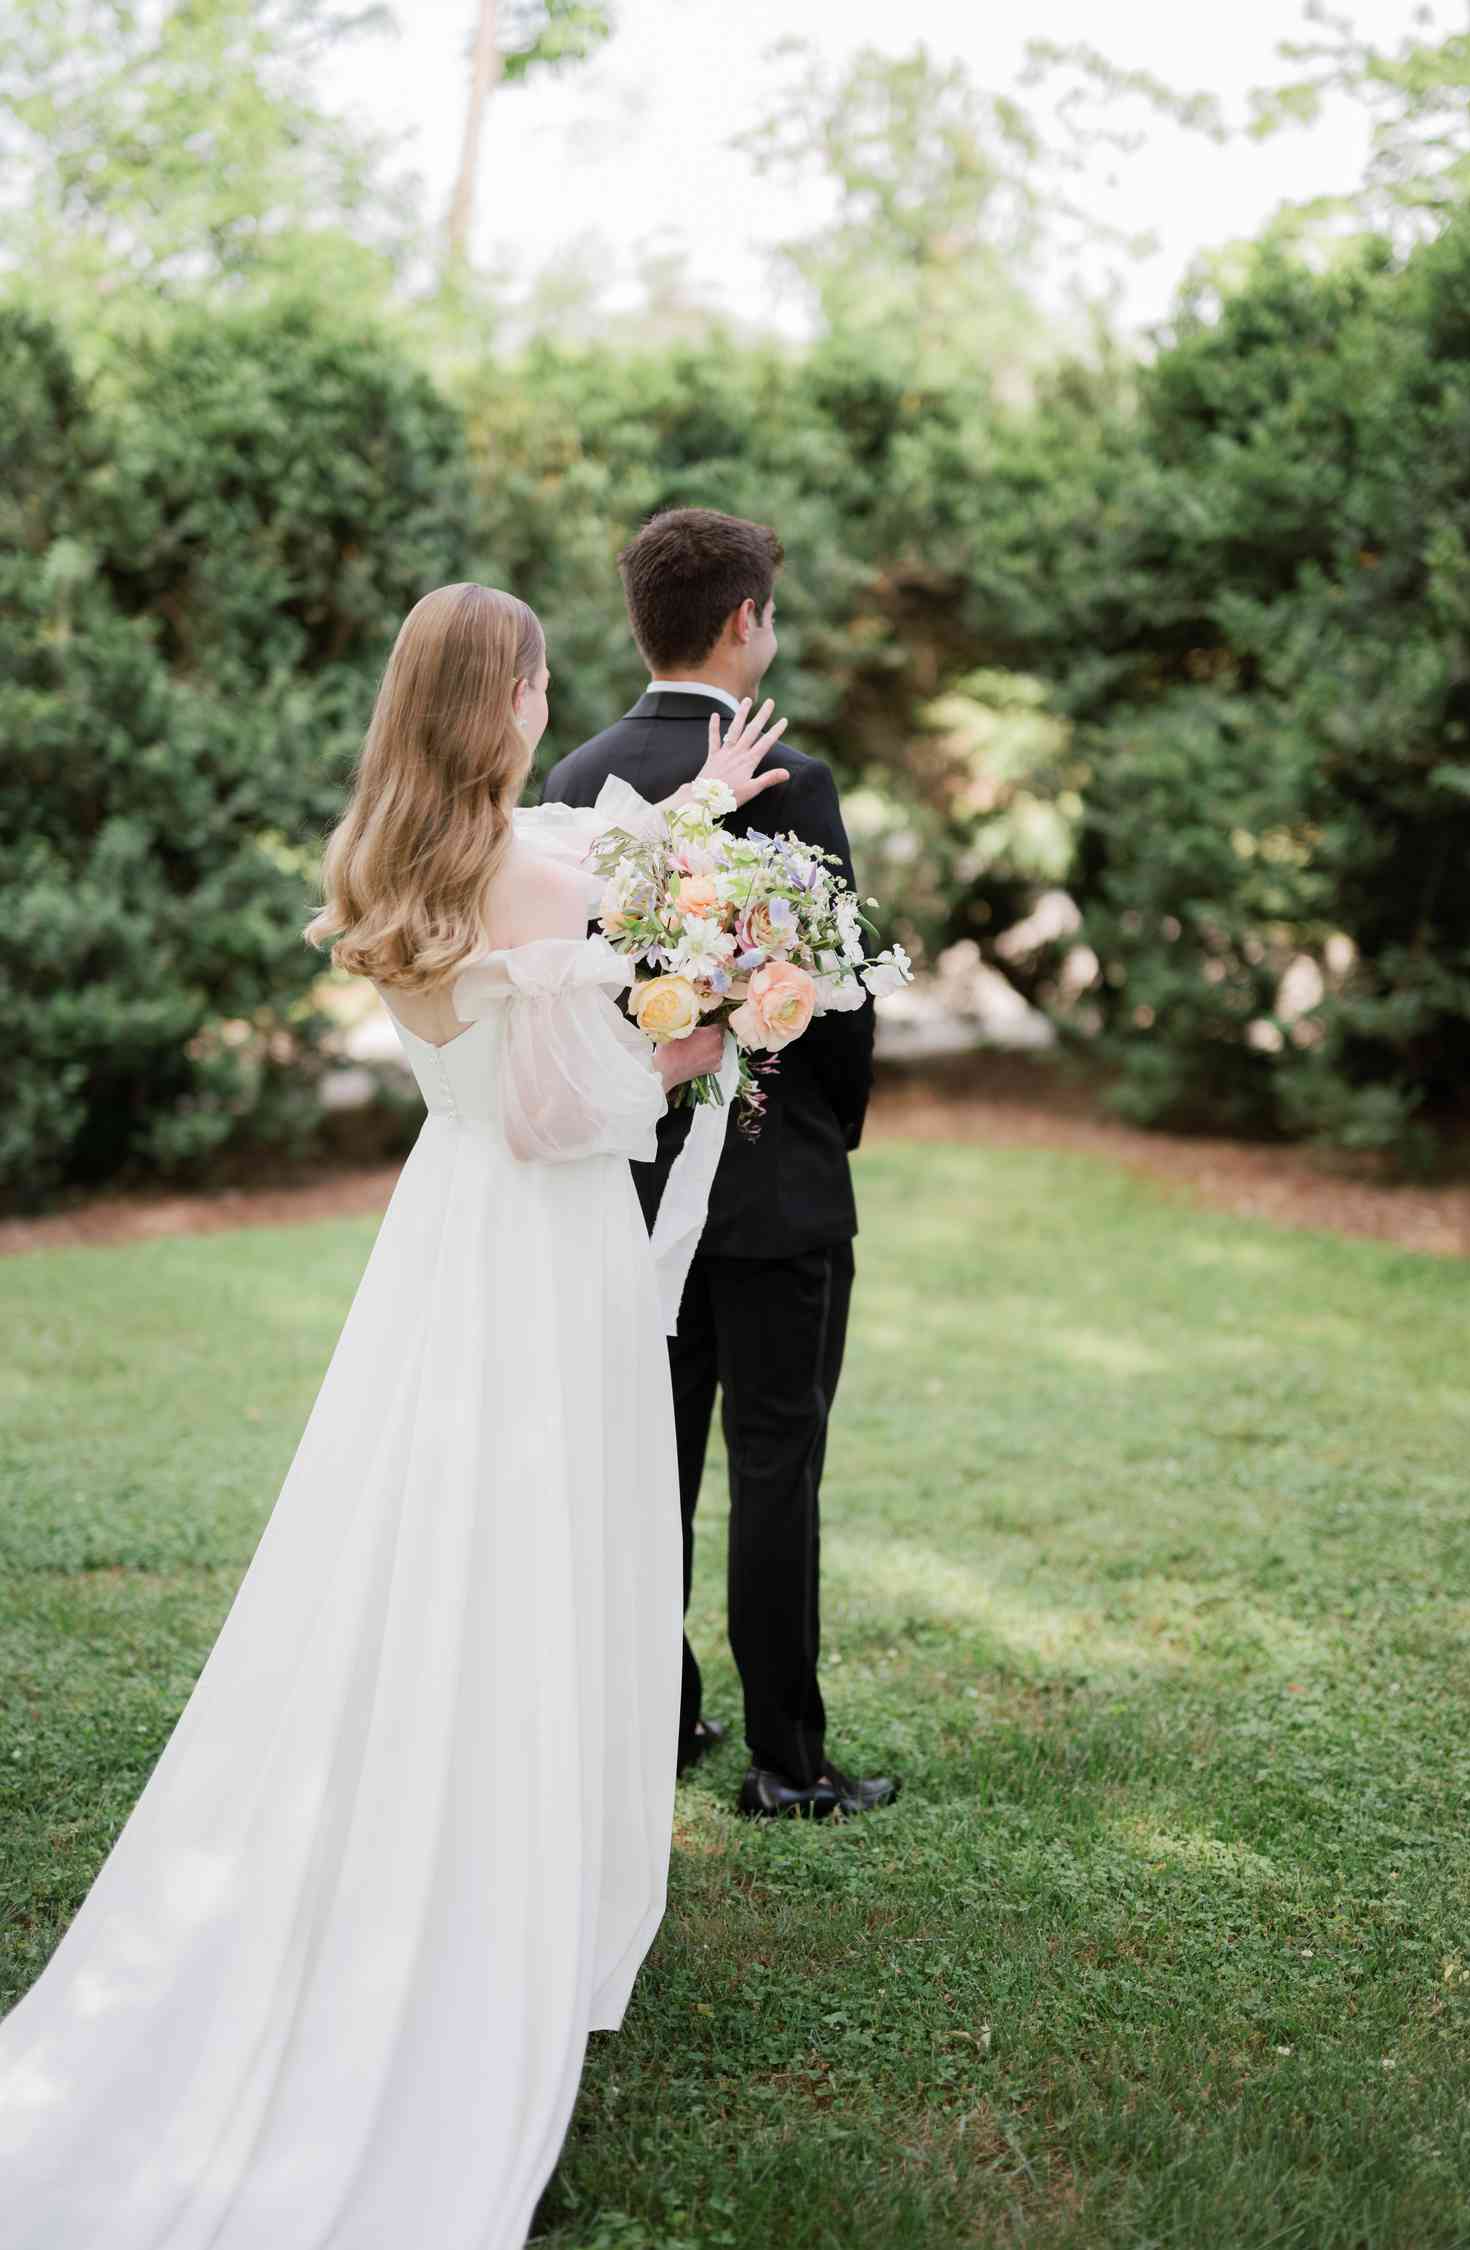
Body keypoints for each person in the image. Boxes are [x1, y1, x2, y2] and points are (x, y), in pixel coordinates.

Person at [0, 582, 791, 2250]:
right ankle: (510, 1898)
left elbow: (573, 867)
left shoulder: (394, 858)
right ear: (495, 701)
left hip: (442, 1249)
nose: (548, 703)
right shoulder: (532, 864)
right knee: (547, 1549)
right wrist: (708, 1035)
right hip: (546, 1248)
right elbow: (569, 1105)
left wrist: (700, 814)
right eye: (535, 684)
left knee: (429, 1538)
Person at [543, 507, 898, 1821]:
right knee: (775, 1465)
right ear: (745, 620)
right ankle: (787, 1758)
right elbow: (842, 989)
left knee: (650, 1467)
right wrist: (829, 1128)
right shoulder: (786, 778)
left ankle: (660, 1712)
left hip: (628, 1194)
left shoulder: (577, 781)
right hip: (775, 1185)